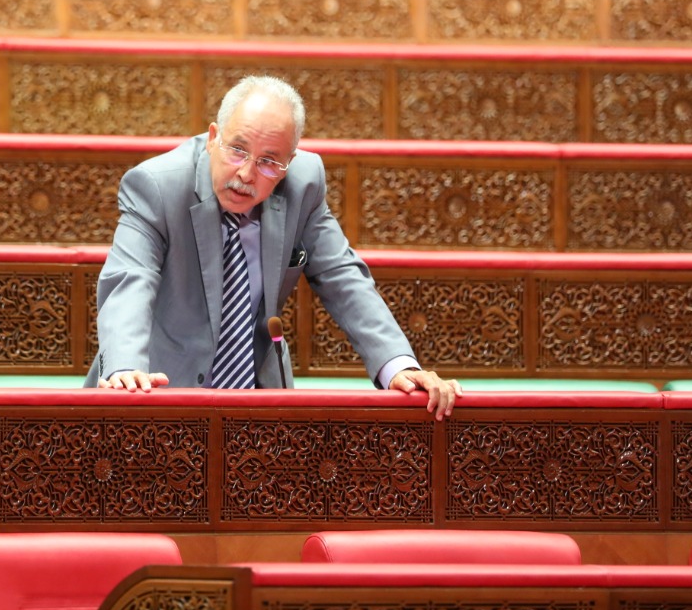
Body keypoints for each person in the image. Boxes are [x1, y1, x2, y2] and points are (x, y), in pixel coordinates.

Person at [84, 75, 461, 418]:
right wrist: (125, 368)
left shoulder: (304, 183)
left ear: (288, 163)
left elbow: (343, 278)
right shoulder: (157, 186)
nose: (246, 174)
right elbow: (129, 280)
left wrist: (398, 365)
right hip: (157, 389)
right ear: (214, 137)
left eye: (268, 162)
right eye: (237, 150)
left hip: (259, 394)